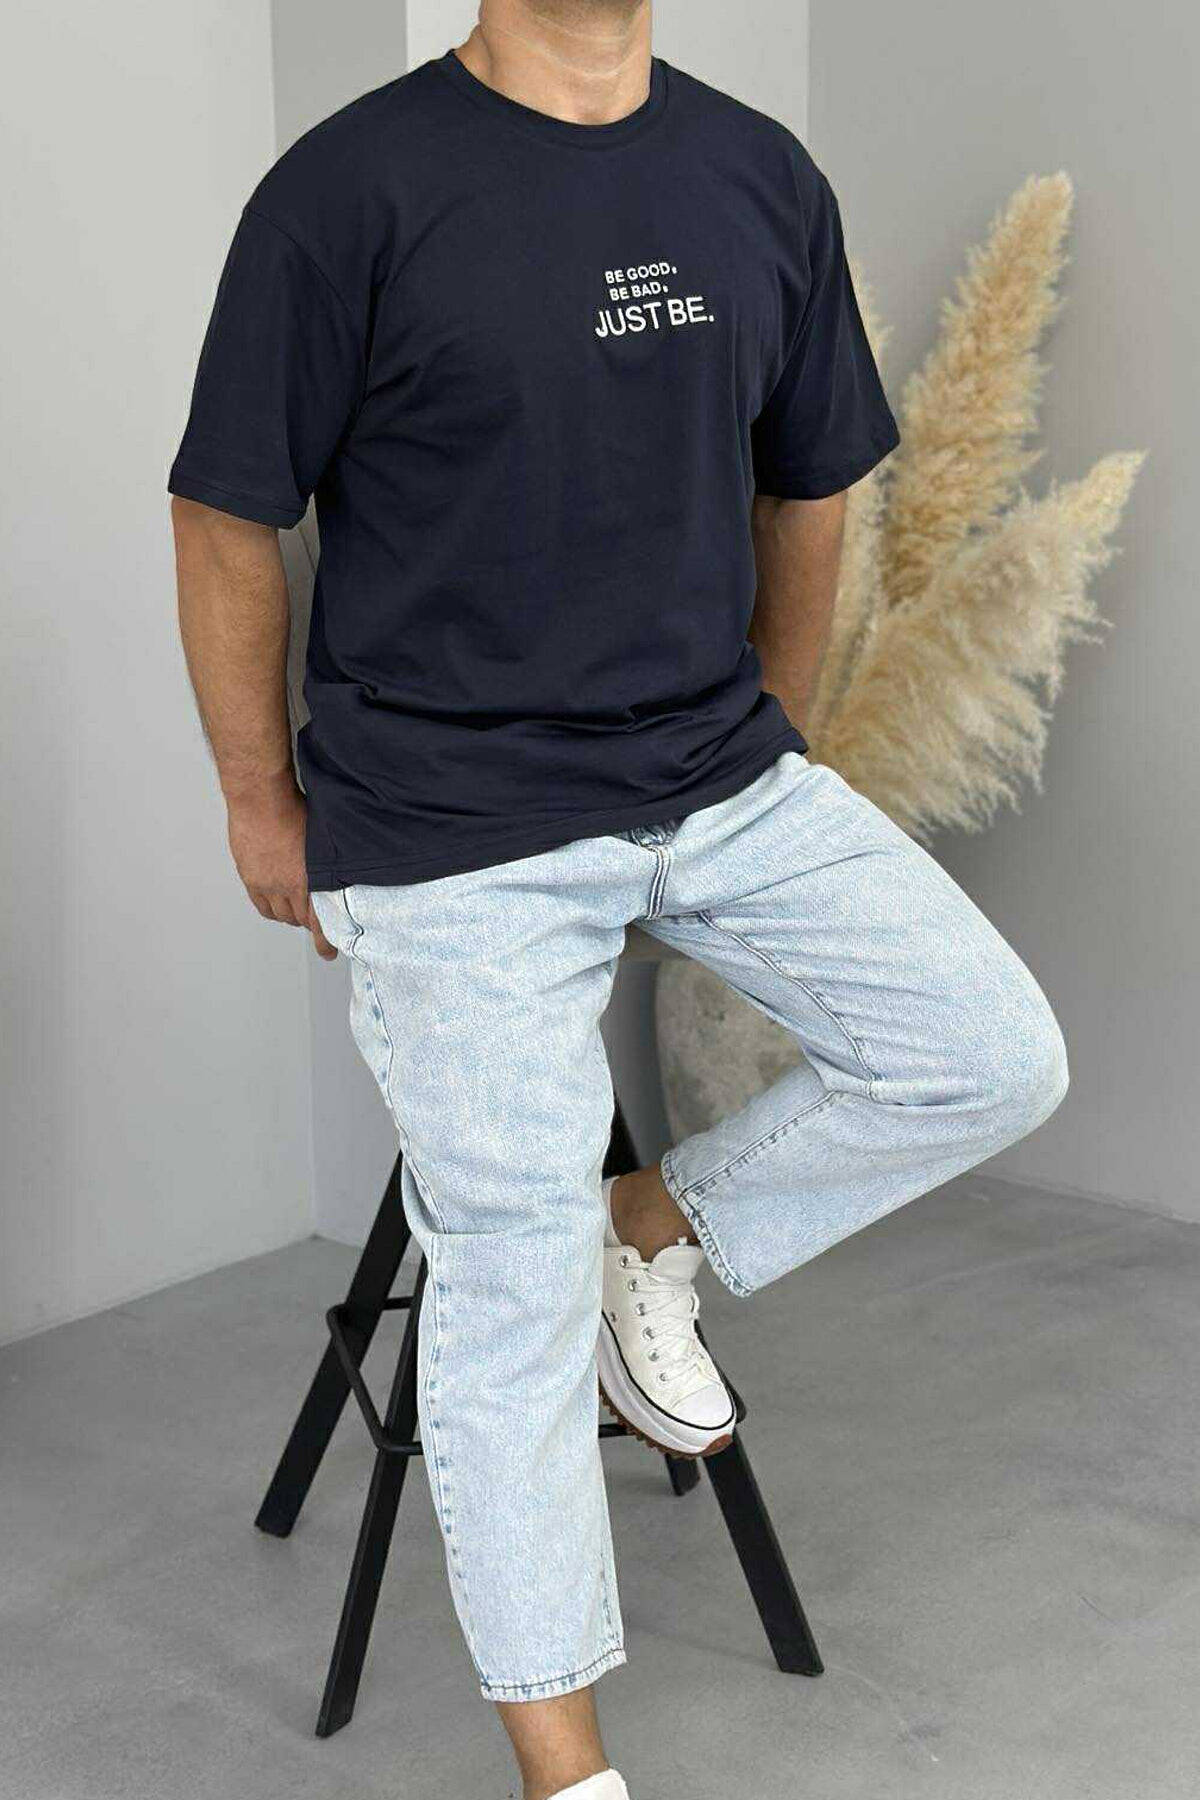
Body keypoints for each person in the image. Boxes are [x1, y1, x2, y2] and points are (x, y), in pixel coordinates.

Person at [169, 3, 1068, 1795]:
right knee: (507, 1276)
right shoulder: (347, 191)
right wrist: (261, 801)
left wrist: (772, 742)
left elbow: (811, 484)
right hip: (453, 826)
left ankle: (645, 1231)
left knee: (990, 1053)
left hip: (711, 779)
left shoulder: (757, 175)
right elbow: (223, 516)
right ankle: (570, 1776)